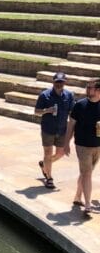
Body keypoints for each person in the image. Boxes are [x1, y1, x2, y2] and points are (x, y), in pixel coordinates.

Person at [65, 78, 100, 217]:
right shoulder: (79, 105)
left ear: (98, 90)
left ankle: (77, 196)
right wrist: (66, 143)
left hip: (98, 145)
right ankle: (87, 204)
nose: (87, 89)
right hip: (82, 145)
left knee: (86, 172)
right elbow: (71, 125)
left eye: (90, 87)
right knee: (87, 174)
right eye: (86, 87)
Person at [34, 72, 74, 189]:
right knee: (48, 153)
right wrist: (47, 110)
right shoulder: (44, 95)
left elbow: (72, 112)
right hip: (48, 129)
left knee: (60, 153)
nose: (59, 84)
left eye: (61, 82)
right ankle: (49, 178)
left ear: (65, 82)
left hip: (62, 129)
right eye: (57, 82)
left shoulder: (69, 95)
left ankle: (44, 165)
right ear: (53, 82)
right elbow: (37, 111)